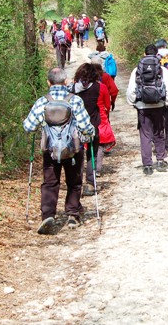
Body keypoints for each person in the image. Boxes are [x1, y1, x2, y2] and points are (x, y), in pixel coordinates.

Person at [23, 67, 95, 234]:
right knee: (74, 181)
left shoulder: (43, 101)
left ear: (49, 82)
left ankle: (48, 215)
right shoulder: (75, 100)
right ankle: (72, 215)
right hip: (73, 149)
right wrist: (91, 134)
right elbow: (86, 126)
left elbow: (28, 126)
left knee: (50, 182)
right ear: (65, 81)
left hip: (50, 150)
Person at [126, 44, 168, 174]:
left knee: (145, 135)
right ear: (157, 53)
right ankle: (160, 159)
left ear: (144, 53)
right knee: (159, 132)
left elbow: (131, 90)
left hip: (142, 106)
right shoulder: (162, 70)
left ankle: (147, 164)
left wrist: (133, 102)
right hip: (159, 105)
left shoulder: (137, 70)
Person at [70, 61, 104, 197]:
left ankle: (77, 183)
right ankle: (90, 182)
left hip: (75, 126)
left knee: (77, 154)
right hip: (92, 123)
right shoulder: (97, 87)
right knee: (92, 154)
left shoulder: (72, 89)